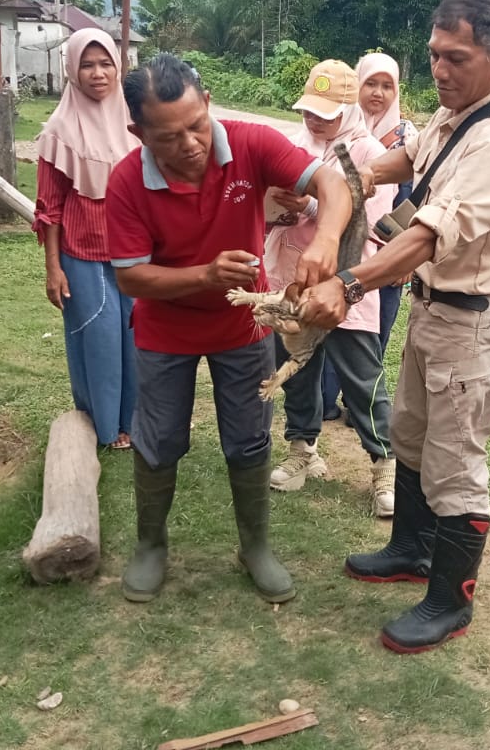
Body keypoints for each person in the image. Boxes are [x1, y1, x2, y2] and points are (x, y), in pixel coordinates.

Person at [302, 0, 490, 653]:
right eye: (434, 54)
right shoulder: (452, 115)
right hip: (431, 311)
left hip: (471, 323)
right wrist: (344, 179)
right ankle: (410, 548)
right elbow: (405, 161)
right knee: (409, 434)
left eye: (456, 58)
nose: (440, 69)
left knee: (455, 462)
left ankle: (449, 602)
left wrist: (348, 282)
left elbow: (423, 239)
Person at [106, 54, 352, 604]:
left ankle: (255, 547)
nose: (190, 144)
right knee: (159, 438)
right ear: (138, 133)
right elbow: (130, 278)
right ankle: (151, 546)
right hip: (165, 331)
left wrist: (326, 239)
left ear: (208, 103)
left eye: (197, 124)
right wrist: (206, 275)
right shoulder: (126, 182)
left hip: (243, 325)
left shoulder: (250, 144)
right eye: (168, 137)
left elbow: (332, 183)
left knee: (248, 435)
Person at [263, 59, 397, 516]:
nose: (314, 120)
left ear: (348, 108)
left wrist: (310, 205)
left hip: (346, 282)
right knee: (296, 370)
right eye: (308, 110)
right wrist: (280, 210)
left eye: (326, 113)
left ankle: (385, 467)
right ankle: (302, 450)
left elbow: (369, 222)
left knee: (362, 379)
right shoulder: (292, 146)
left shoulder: (369, 154)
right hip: (293, 279)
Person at [34, 28, 139, 450]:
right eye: (87, 65)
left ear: (119, 67)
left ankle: (135, 422)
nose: (98, 74)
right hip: (83, 254)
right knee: (98, 339)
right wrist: (53, 268)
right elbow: (49, 207)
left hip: (135, 252)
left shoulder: (136, 120)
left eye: (106, 64)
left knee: (137, 337)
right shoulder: (59, 129)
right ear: (72, 71)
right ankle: (102, 426)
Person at [319, 53, 414, 420]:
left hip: (389, 252)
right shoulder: (338, 131)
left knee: (374, 331)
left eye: (387, 86)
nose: (378, 93)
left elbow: (418, 202)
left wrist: (407, 260)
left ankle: (359, 404)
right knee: (339, 322)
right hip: (344, 250)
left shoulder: (408, 140)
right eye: (370, 83)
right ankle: (325, 401)